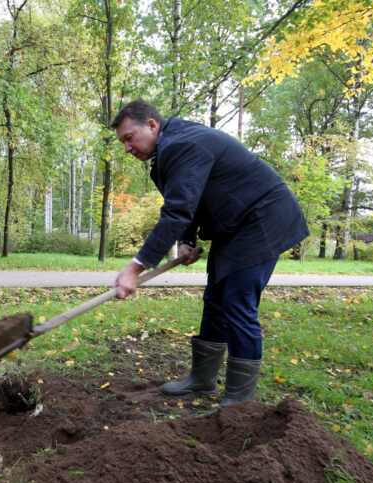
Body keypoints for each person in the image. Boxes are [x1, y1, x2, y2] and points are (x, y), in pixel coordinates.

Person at [111, 99, 308, 407]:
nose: (127, 148)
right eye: (123, 142)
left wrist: (134, 269)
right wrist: (185, 242)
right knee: (215, 300)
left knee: (237, 303)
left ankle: (240, 404)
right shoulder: (169, 151)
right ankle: (202, 381)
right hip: (233, 228)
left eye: (129, 138)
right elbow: (189, 203)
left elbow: (176, 212)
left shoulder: (182, 144)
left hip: (262, 219)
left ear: (152, 125)